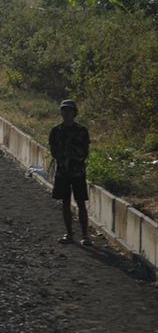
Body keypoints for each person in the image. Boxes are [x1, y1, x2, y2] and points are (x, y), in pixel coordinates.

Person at [48, 99, 92, 246]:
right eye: (64, 110)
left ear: (74, 113)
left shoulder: (81, 131)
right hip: (62, 172)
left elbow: (85, 152)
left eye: (69, 110)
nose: (66, 113)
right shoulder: (56, 131)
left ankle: (85, 235)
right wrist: (63, 160)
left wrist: (74, 160)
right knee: (65, 203)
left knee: (81, 203)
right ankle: (69, 234)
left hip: (77, 172)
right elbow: (53, 150)